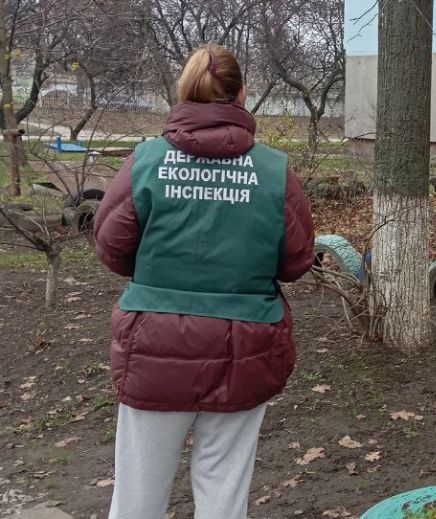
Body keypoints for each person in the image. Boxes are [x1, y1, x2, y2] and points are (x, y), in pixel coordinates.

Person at [94, 44, 315, 519]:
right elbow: (296, 260)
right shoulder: (275, 172)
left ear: (185, 91)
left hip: (155, 347)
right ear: (243, 95)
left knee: (137, 493)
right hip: (245, 348)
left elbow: (111, 245)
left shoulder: (147, 162)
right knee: (223, 492)